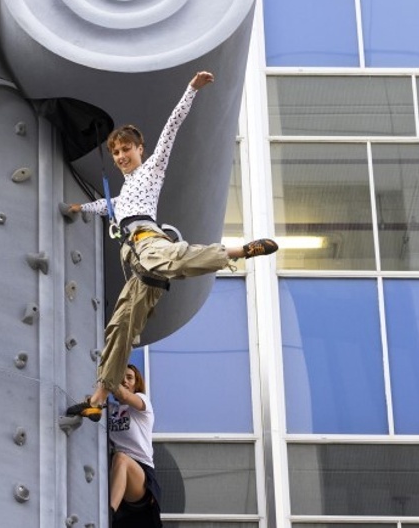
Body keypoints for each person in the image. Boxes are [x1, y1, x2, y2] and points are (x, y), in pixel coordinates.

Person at [65, 71, 278, 418]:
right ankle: (97, 399)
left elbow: (170, 130)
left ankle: (238, 251)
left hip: (150, 244)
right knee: (119, 328)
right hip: (139, 270)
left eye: (126, 149)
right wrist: (77, 208)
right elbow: (103, 206)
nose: (121, 156)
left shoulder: (152, 171)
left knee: (174, 257)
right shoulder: (119, 197)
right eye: (116, 152)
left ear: (140, 150)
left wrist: (191, 90)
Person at [107, 364, 161, 528]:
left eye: (129, 378)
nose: (124, 381)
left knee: (121, 458)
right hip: (119, 478)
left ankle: (107, 515)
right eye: (121, 377)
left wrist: (107, 375)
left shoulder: (142, 403)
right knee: (118, 460)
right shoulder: (109, 411)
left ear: (137, 383)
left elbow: (123, 395)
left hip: (142, 475)